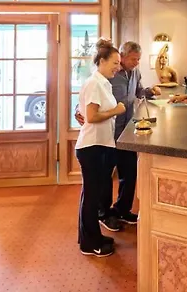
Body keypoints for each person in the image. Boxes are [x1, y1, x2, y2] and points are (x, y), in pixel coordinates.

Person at [75, 41, 161, 229]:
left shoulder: (135, 72)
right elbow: (89, 98)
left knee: (129, 173)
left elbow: (138, 91)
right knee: (105, 177)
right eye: (133, 59)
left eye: (138, 59)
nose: (136, 63)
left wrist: (150, 91)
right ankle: (104, 213)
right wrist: (78, 110)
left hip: (128, 132)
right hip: (108, 135)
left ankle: (122, 209)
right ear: (122, 56)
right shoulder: (109, 75)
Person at [75, 39, 126, 258]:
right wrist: (117, 111)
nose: (118, 67)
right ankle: (90, 243)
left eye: (119, 63)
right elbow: (91, 116)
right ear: (102, 61)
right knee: (91, 197)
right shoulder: (94, 83)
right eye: (115, 62)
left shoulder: (103, 83)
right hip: (92, 146)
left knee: (92, 195)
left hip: (102, 145)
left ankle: (91, 236)